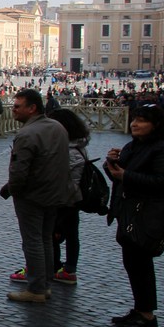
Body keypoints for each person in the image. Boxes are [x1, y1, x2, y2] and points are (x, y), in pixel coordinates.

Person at [104, 105, 164, 327]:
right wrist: (112, 164)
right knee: (133, 264)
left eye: (141, 121)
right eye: (134, 119)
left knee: (141, 264)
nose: (134, 124)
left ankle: (147, 315)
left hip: (148, 214)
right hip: (130, 212)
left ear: (156, 125)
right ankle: (141, 309)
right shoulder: (134, 146)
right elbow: (118, 177)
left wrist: (126, 175)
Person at [0, 89, 78, 304]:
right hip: (55, 193)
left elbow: (19, 170)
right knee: (45, 240)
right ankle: (45, 285)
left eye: (17, 106)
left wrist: (12, 190)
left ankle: (35, 289)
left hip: (32, 195)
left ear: (32, 108)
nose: (13, 110)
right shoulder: (58, 127)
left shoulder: (26, 134)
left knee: (32, 241)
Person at [44, 109, 90, 285]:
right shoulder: (79, 146)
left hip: (64, 198)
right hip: (72, 197)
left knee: (54, 232)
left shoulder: (68, 151)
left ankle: (58, 267)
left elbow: (55, 174)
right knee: (71, 233)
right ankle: (67, 268)